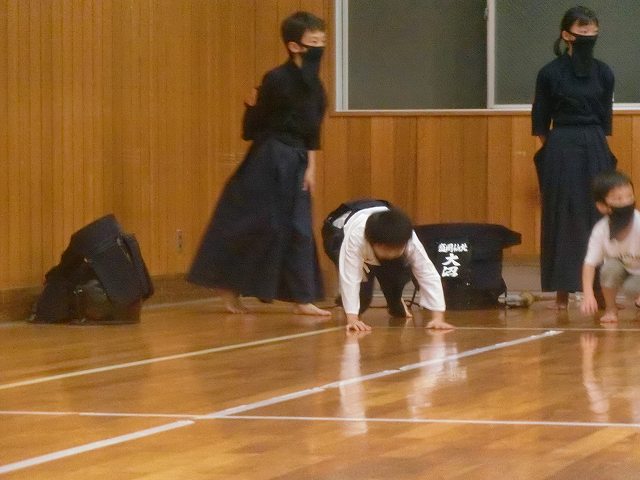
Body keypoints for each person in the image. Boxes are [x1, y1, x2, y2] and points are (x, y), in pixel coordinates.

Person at [187, 11, 330, 316]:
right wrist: (250, 107)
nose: (320, 47)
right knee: (255, 223)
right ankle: (228, 288)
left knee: (299, 228)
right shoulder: (276, 79)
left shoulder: (316, 87)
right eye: (314, 42)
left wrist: (311, 167)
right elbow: (252, 129)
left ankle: (302, 297)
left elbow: (312, 132)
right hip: (269, 158)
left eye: (322, 42)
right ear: (294, 46)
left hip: (297, 160)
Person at [532, 6, 616, 309]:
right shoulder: (549, 73)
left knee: (599, 213)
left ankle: (602, 289)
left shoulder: (604, 72)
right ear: (567, 35)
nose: (589, 36)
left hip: (594, 142)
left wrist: (596, 146)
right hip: (561, 142)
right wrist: (556, 148)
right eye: (583, 31)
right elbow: (541, 122)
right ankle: (562, 290)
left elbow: (605, 120)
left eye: (593, 32)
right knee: (562, 214)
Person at [321, 199, 453, 331]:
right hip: (338, 232)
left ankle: (395, 298)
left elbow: (427, 273)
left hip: (376, 227)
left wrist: (438, 318)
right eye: (388, 249)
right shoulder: (356, 238)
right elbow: (350, 277)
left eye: (398, 249)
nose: (393, 254)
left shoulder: (407, 238)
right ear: (375, 244)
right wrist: (352, 319)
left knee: (401, 270)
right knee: (362, 299)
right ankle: (348, 302)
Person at [581, 171, 640, 323]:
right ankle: (611, 309)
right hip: (624, 269)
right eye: (618, 199)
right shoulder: (601, 230)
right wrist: (588, 294)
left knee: (631, 287)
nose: (626, 202)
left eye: (629, 196)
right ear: (602, 206)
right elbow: (589, 264)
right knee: (609, 269)